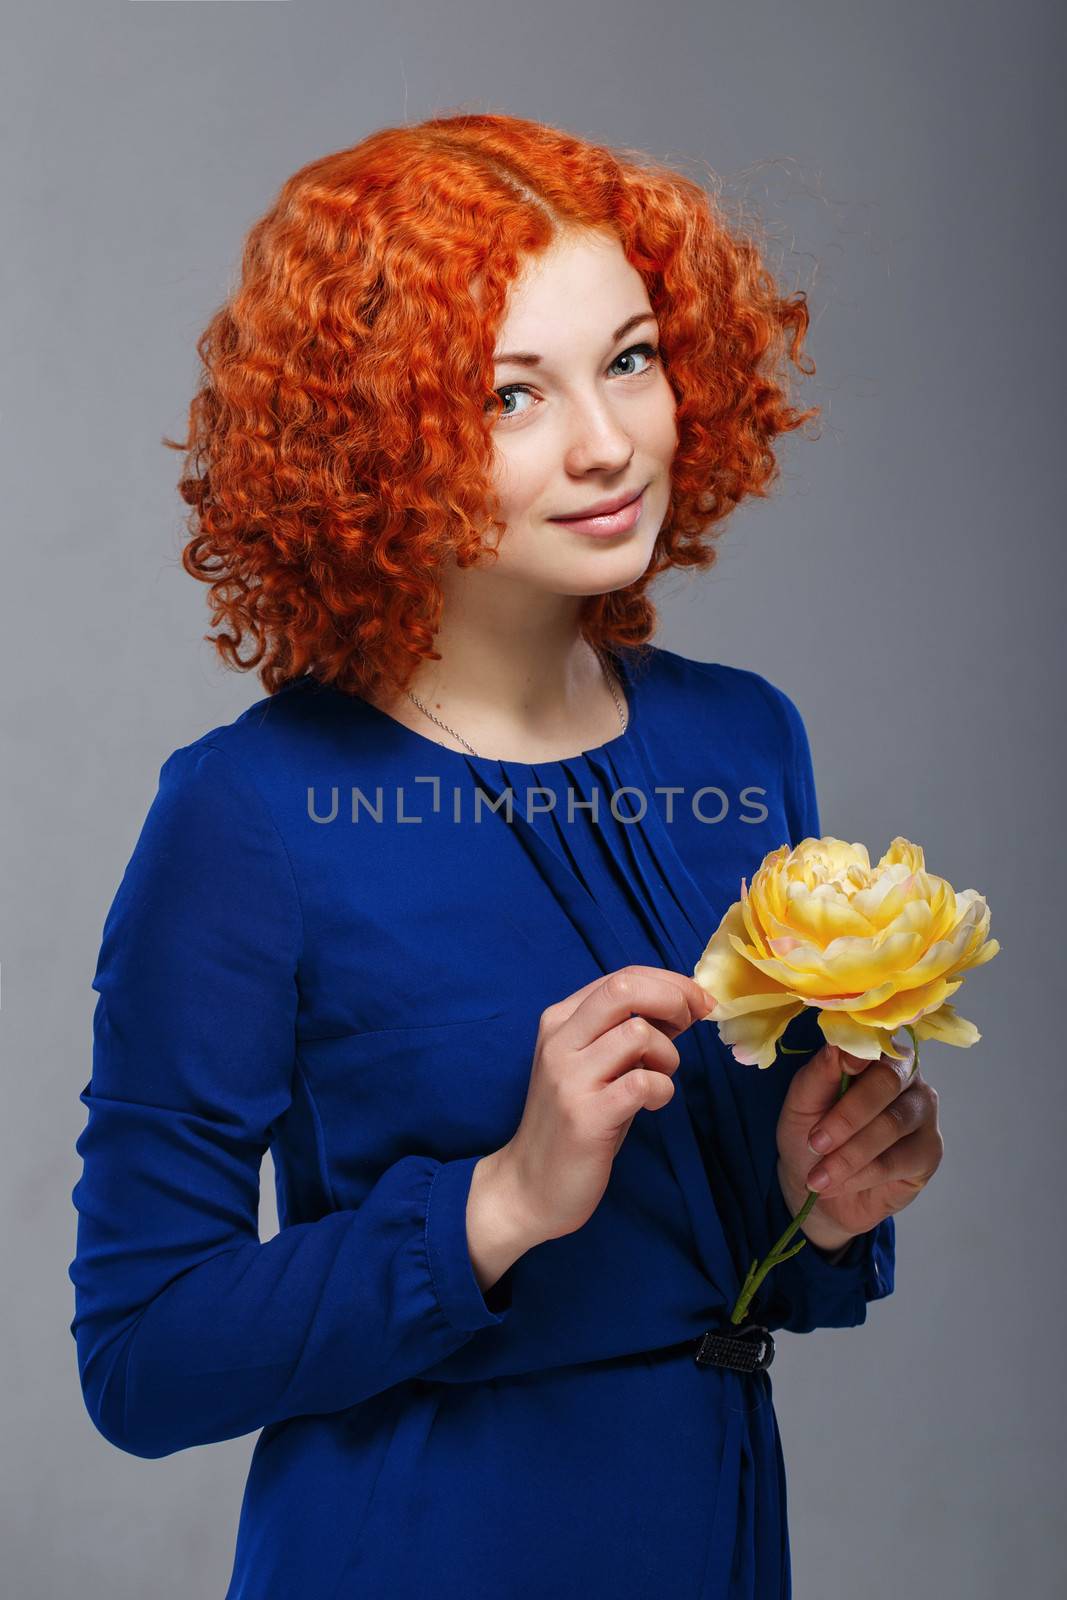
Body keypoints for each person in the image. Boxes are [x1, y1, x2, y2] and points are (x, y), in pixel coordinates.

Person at [68, 112, 937, 1598]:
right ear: (377, 438)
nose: (607, 441)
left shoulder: (742, 744)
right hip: (422, 1549)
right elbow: (140, 1357)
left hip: (715, 1532)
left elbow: (719, 1265)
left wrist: (825, 1202)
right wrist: (501, 1203)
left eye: (632, 358)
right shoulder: (248, 814)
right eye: (509, 394)